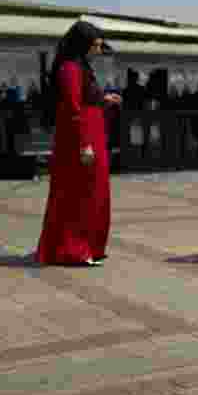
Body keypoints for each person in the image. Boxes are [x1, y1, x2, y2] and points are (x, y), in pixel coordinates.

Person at [35, 21, 122, 266]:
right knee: (80, 194)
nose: (98, 49)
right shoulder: (71, 68)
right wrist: (84, 144)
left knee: (94, 192)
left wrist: (104, 99)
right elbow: (73, 108)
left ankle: (88, 247)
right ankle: (73, 249)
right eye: (95, 45)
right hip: (81, 141)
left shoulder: (81, 67)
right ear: (83, 44)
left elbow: (85, 99)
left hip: (92, 136)